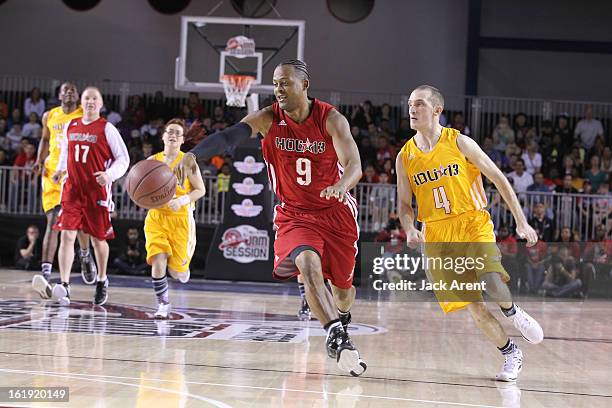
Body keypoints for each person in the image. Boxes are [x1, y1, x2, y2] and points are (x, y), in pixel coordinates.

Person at [176, 59, 366, 377]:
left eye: (285, 83)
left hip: (335, 213)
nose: (278, 89)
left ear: (304, 85)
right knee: (307, 266)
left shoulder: (331, 118)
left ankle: (341, 317)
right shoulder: (268, 118)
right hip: (294, 214)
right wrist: (194, 153)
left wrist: (341, 185)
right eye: (275, 83)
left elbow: (355, 164)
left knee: (343, 289)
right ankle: (336, 334)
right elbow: (230, 136)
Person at [396, 85, 543, 382]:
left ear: (437, 110)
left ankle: (512, 312)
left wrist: (521, 221)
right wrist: (410, 228)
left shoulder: (459, 142)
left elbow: (498, 178)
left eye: (420, 104)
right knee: (475, 308)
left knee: (491, 278)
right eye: (411, 104)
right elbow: (403, 203)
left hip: (471, 222)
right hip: (436, 234)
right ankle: (511, 353)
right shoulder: (405, 156)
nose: (413, 109)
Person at [50, 87, 129, 306]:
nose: (90, 102)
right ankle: (65, 286)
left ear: (101, 103)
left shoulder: (107, 129)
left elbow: (123, 159)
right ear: (81, 103)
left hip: (96, 190)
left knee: (98, 239)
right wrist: (59, 170)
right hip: (72, 189)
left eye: (95, 98)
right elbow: (65, 152)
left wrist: (109, 174)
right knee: (66, 235)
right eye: (87, 98)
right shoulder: (71, 125)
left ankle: (102, 280)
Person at [30, 83, 96, 300]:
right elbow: (45, 140)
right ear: (59, 95)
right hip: (52, 176)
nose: (69, 92)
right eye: (65, 90)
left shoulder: (84, 115)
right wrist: (39, 161)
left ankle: (85, 255)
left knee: (78, 225)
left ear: (78, 97)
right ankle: (46, 274)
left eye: (73, 91)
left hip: (75, 174)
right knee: (53, 222)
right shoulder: (49, 116)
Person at [144, 118, 206, 318]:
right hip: (157, 217)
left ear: (182, 140)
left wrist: (183, 200)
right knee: (158, 258)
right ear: (163, 136)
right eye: (169, 131)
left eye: (177, 133)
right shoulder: (152, 162)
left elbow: (201, 190)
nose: (172, 135)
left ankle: (181, 270)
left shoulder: (187, 161)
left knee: (177, 273)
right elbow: (140, 191)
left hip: (181, 219)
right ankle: (163, 304)